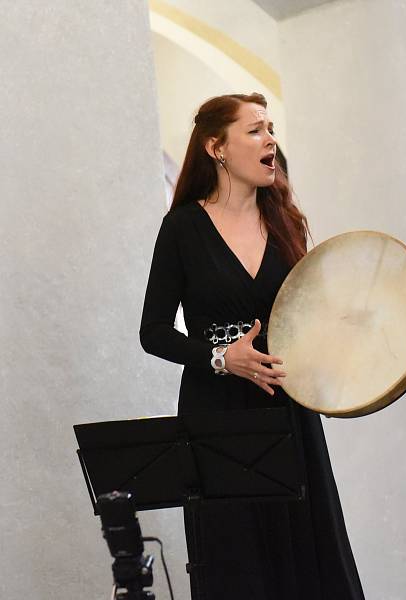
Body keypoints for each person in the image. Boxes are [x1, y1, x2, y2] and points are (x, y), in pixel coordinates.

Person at [140, 93, 364, 599]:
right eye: (256, 130)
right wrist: (222, 358)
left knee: (308, 559)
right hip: (216, 416)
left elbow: (307, 315)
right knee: (237, 564)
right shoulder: (182, 229)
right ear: (217, 147)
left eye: (271, 129)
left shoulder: (287, 221)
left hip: (287, 410)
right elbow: (152, 332)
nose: (271, 140)